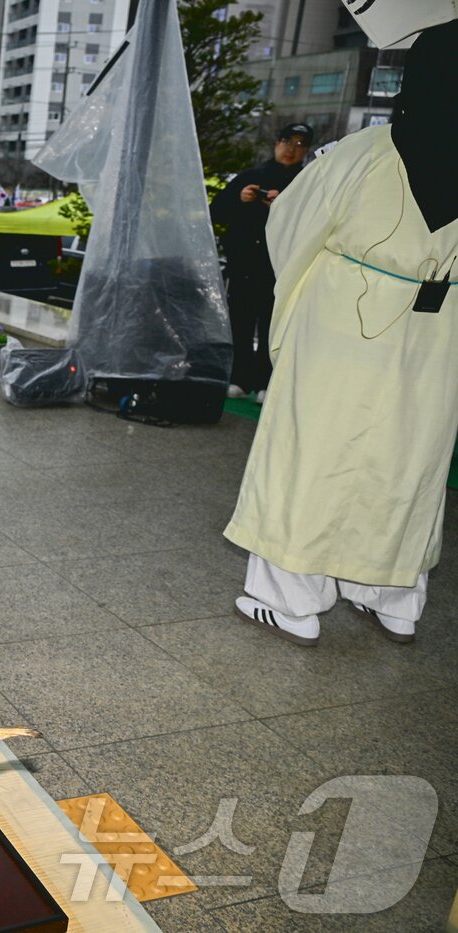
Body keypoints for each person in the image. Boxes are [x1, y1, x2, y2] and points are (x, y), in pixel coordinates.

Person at [224, 23, 458, 648]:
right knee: (406, 463)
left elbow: (290, 229)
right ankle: (394, 601)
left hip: (342, 324)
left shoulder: (368, 151)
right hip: (438, 334)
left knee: (312, 455)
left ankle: (290, 603)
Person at [210, 123, 312, 401]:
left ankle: (266, 382)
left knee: (273, 326)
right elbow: (216, 212)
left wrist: (283, 207)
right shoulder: (251, 176)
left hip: (280, 269)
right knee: (240, 323)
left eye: (300, 144)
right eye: (287, 141)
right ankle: (239, 378)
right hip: (244, 264)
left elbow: (313, 224)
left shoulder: (306, 183)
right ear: (277, 143)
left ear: (307, 150)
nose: (291, 149)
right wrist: (240, 198)